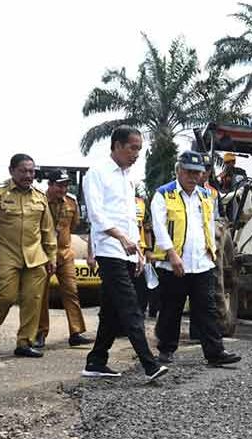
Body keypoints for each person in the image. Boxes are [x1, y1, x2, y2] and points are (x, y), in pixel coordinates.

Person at [82, 126, 167, 380]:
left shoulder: (128, 177)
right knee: (130, 307)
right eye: (133, 148)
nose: (137, 154)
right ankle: (149, 364)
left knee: (111, 309)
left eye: (139, 149)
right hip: (109, 250)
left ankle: (96, 361)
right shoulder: (97, 173)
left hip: (128, 251)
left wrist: (138, 251)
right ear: (117, 145)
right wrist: (120, 238)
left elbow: (132, 220)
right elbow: (97, 215)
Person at [151, 151, 241, 368]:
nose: (193, 177)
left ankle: (215, 352)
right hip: (173, 264)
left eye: (197, 173)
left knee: (207, 309)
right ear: (179, 170)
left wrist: (212, 251)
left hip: (201, 263)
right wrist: (172, 255)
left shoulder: (205, 196)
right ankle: (166, 350)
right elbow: (159, 227)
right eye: (189, 172)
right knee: (171, 308)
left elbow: (209, 225)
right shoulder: (164, 194)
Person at [0, 154, 56, 358]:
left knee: (33, 299)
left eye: (31, 171)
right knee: (6, 296)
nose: (28, 175)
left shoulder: (40, 196)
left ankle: (24, 342)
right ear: (12, 171)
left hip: (35, 255)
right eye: (23, 171)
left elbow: (47, 229)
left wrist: (52, 257)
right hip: (5, 253)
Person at [34, 172, 93, 348]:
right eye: (59, 185)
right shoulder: (39, 201)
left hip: (65, 254)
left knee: (71, 292)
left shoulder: (71, 203)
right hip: (42, 255)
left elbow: (73, 225)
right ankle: (40, 333)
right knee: (41, 295)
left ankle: (76, 332)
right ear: (50, 185)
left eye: (65, 186)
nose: (63, 189)